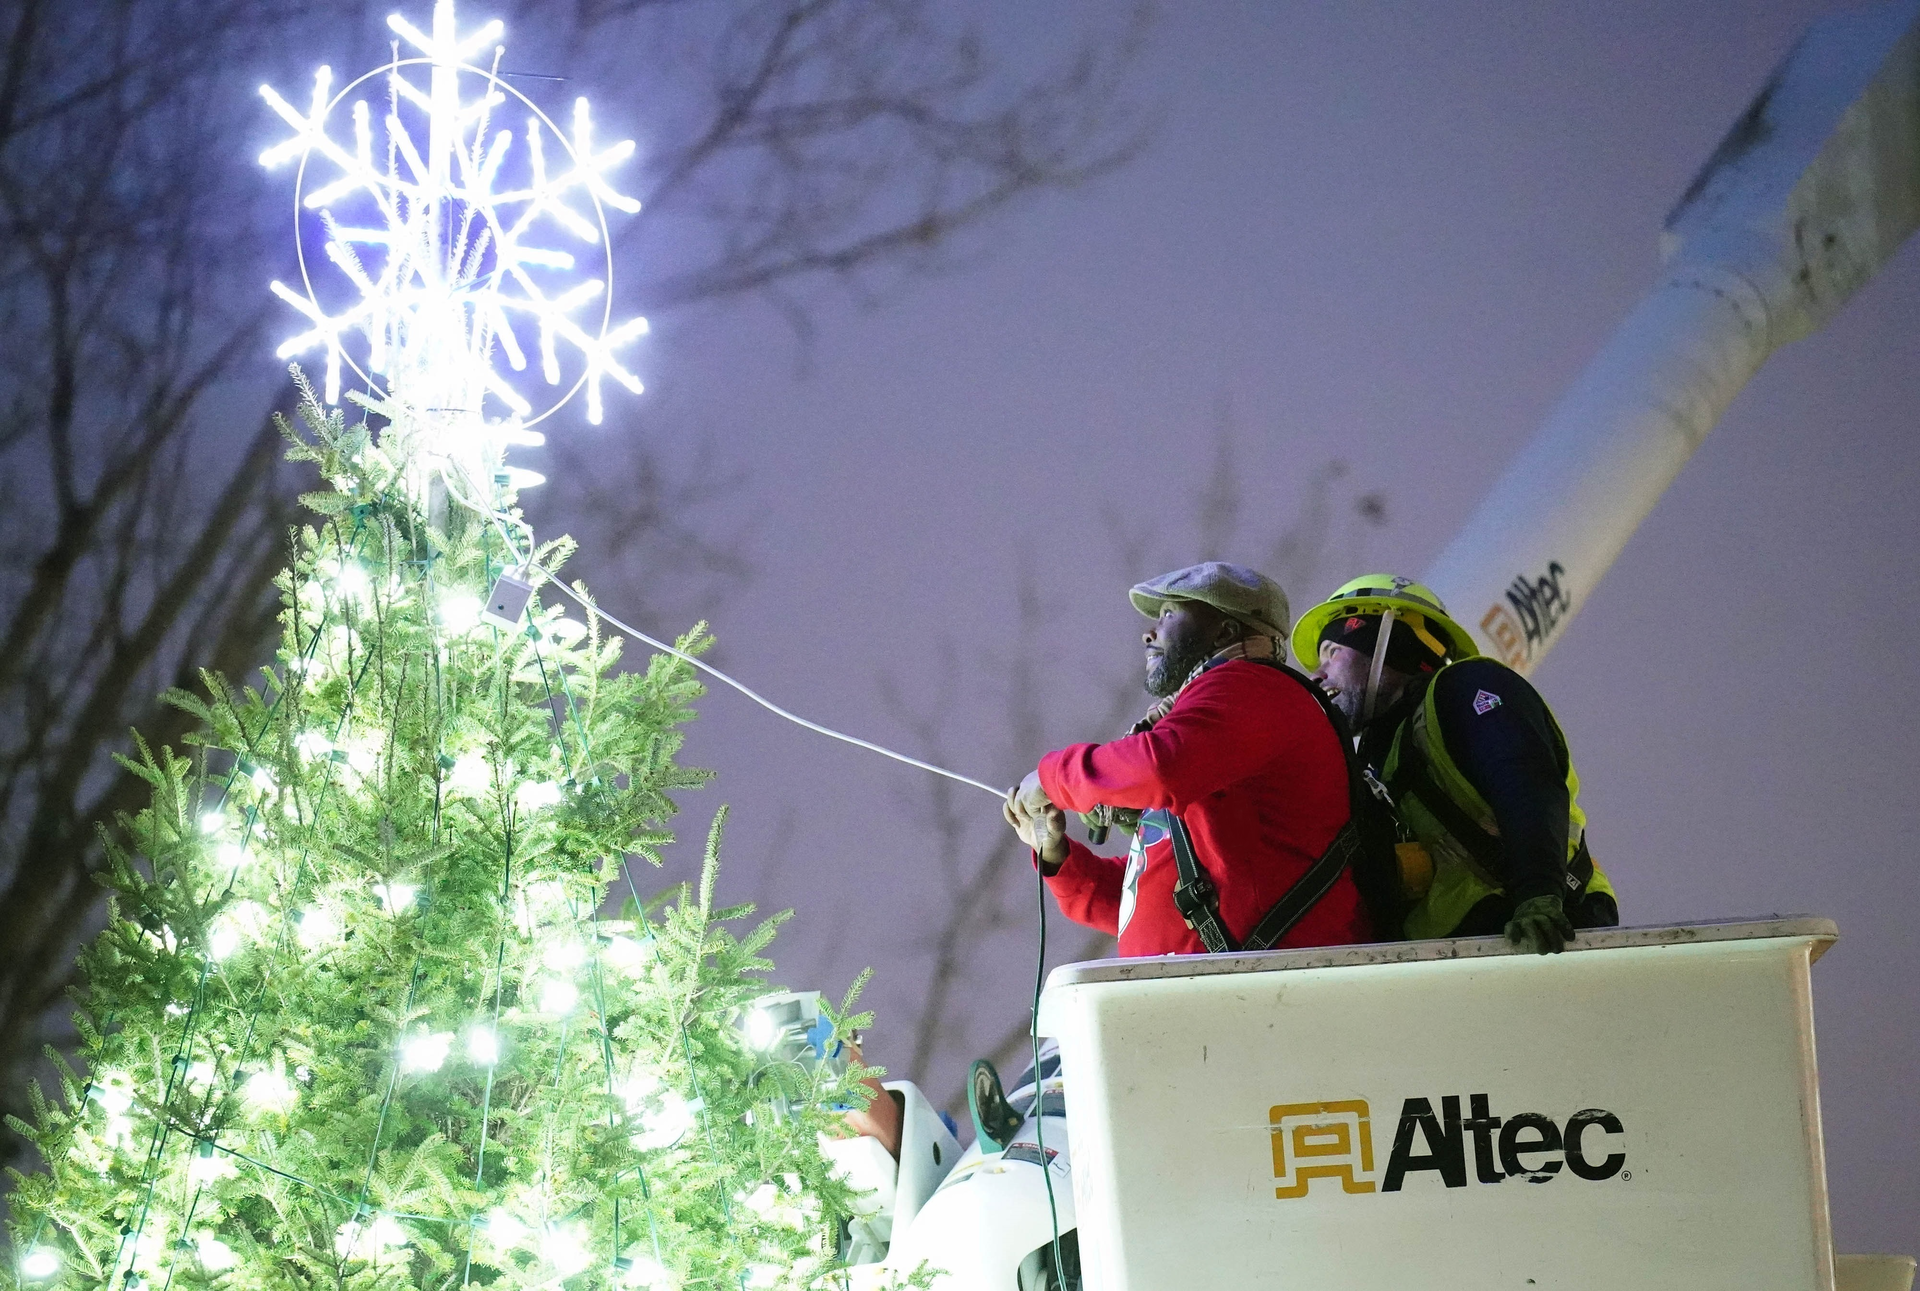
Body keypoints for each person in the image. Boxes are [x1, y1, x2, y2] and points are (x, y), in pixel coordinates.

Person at [1004, 562, 1374, 957]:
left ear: (1226, 630)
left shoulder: (1250, 686)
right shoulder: (1211, 733)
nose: (1148, 633)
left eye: (1167, 614)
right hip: (1235, 995)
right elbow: (1153, 902)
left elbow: (1160, 767)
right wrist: (1059, 857)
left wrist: (1052, 777)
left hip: (1266, 991)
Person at [1291, 574, 1618, 953]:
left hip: (1541, 930)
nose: (1316, 674)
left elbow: (1524, 780)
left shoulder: (1465, 688)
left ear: (1387, 641)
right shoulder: (1378, 751)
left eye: (1331, 651)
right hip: (1456, 954)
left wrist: (1539, 894)